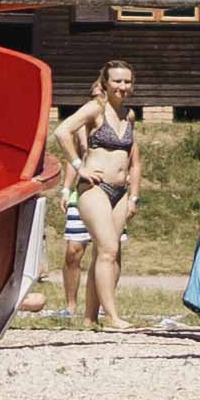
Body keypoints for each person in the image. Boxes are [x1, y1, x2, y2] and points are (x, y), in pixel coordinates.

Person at [54, 61, 141, 330]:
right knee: (107, 250)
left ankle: (90, 318)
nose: (122, 86)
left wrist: (133, 194)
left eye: (127, 81)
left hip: (120, 191)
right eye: (117, 81)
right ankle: (113, 317)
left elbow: (133, 159)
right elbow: (62, 131)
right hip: (95, 189)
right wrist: (80, 167)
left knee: (108, 255)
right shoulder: (96, 108)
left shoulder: (128, 115)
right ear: (105, 83)